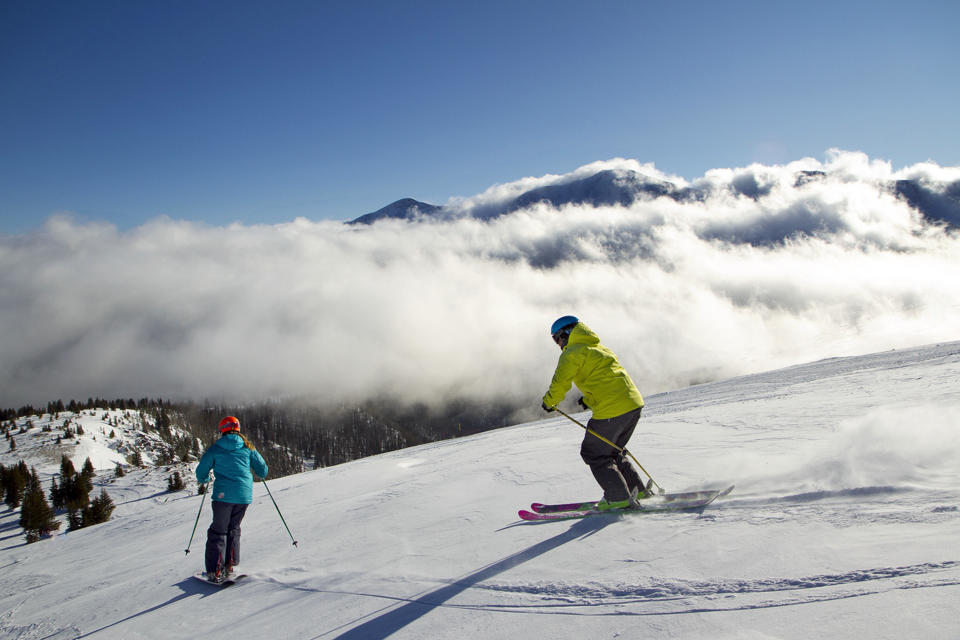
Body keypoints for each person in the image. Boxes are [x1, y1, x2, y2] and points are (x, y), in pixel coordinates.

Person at [541, 316, 647, 510]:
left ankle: (618, 498)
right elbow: (608, 379)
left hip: (613, 409)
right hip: (633, 405)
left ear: (566, 333)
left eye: (557, 338)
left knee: (594, 453)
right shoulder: (600, 348)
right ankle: (637, 490)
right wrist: (588, 399)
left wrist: (549, 401)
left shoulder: (572, 353)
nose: (557, 343)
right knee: (612, 450)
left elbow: (560, 382)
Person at [195, 416, 269, 582]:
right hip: (244, 496)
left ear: (222, 430)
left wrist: (206, 479)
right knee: (233, 528)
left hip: (223, 496)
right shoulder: (247, 447)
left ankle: (215, 570)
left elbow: (201, 472)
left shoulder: (215, 449)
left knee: (218, 531)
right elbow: (263, 469)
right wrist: (260, 474)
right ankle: (230, 565)